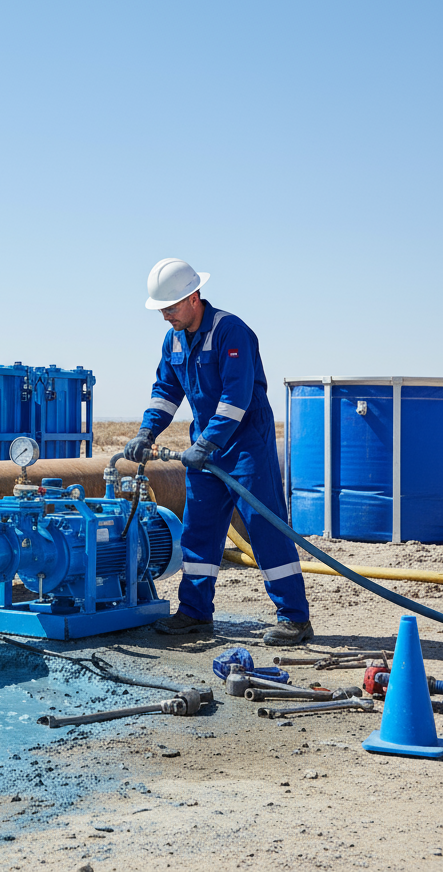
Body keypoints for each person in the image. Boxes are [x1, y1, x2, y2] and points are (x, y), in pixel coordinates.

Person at [124, 258, 313, 647]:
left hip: (245, 443)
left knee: (263, 526)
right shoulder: (174, 339)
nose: (165, 316)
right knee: (200, 529)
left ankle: (295, 618)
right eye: (161, 309)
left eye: (171, 307)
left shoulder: (231, 330)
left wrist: (208, 443)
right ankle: (195, 613)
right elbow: (166, 391)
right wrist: (147, 431)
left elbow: (236, 398)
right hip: (205, 445)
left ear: (194, 297)